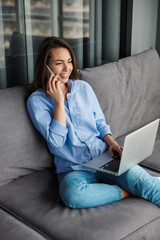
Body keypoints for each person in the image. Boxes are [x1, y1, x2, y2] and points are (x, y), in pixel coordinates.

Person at [27, 36, 160, 209]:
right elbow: (56, 142)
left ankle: (139, 184)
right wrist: (59, 102)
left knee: (149, 185)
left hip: (104, 156)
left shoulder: (83, 88)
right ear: (46, 67)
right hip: (74, 169)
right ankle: (127, 191)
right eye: (59, 63)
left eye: (69, 61)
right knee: (73, 196)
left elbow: (99, 122)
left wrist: (112, 143)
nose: (67, 68)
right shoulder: (36, 101)